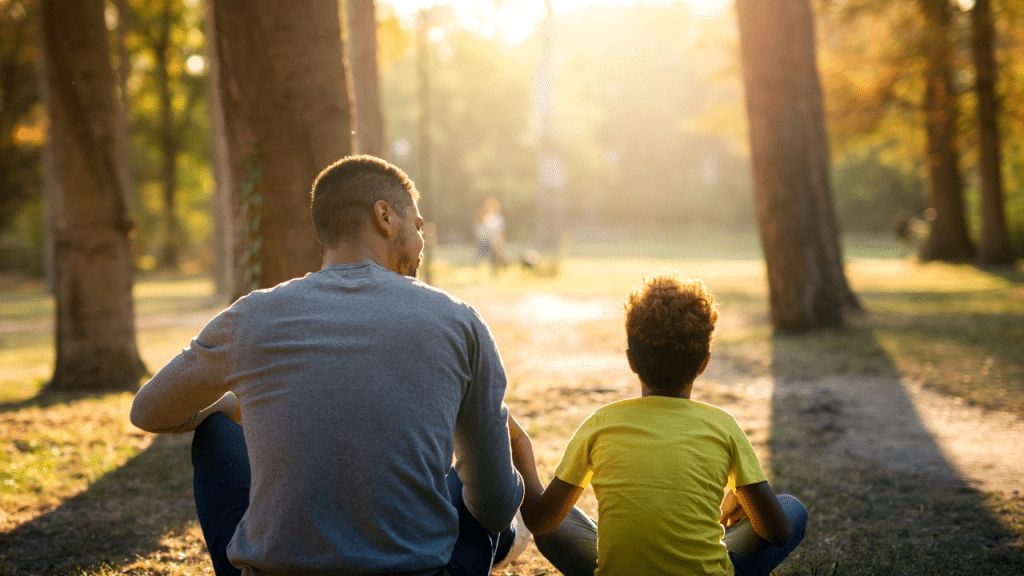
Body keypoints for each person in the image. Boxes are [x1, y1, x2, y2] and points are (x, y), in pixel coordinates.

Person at [130, 155, 526, 576]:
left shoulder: (251, 316)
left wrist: (230, 404)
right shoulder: (459, 320)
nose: (421, 243)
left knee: (216, 430)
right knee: (474, 485)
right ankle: (508, 543)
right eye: (418, 227)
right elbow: (494, 506)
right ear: (385, 217)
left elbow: (148, 411)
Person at [507, 271, 808, 576]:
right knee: (791, 507)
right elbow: (778, 532)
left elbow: (540, 522)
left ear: (631, 361)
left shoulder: (600, 424)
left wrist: (520, 444)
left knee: (558, 522)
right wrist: (742, 495)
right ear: (704, 362)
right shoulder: (722, 426)